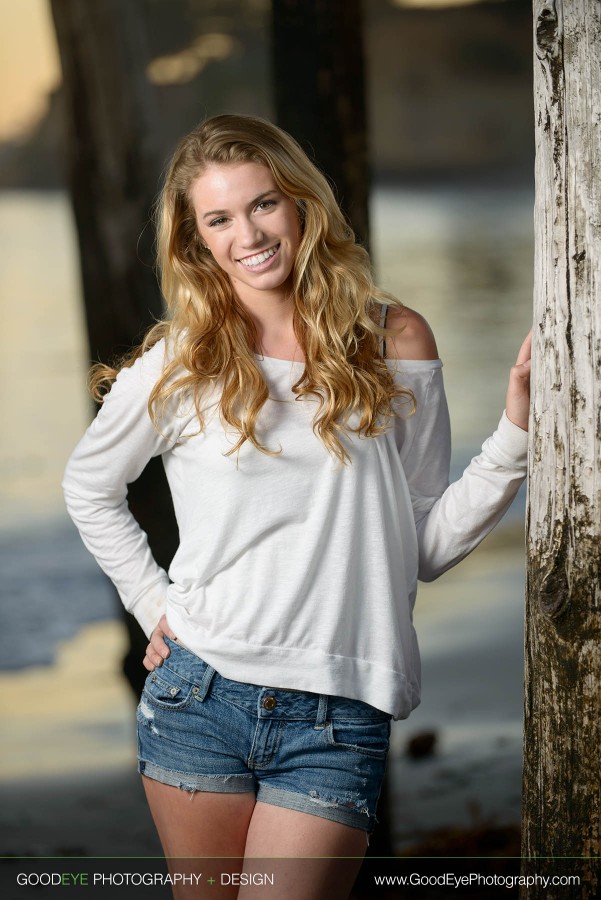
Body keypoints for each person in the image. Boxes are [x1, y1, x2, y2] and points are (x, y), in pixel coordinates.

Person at [63, 114, 531, 899]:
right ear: (196, 241)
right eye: (219, 218)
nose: (247, 232)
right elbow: (89, 485)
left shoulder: (394, 338)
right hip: (199, 693)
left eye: (263, 204)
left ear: (301, 204)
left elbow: (423, 544)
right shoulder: (183, 362)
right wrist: (153, 605)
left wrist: (516, 432)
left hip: (337, 710)